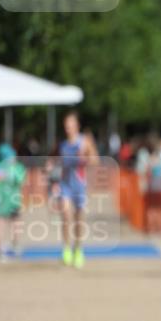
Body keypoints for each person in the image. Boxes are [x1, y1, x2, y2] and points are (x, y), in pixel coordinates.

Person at [59, 111, 98, 268]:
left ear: (77, 126)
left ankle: (78, 249)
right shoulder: (63, 145)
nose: (68, 128)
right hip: (66, 185)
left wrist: (86, 156)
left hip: (80, 185)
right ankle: (66, 248)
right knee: (66, 215)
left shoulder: (84, 142)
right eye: (66, 126)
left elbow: (95, 161)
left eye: (71, 125)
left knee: (79, 220)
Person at [0, 143, 26, 261]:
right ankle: (1, 248)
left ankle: (8, 246)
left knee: (10, 223)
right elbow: (20, 179)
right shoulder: (9, 167)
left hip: (8, 201)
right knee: (3, 224)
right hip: (6, 201)